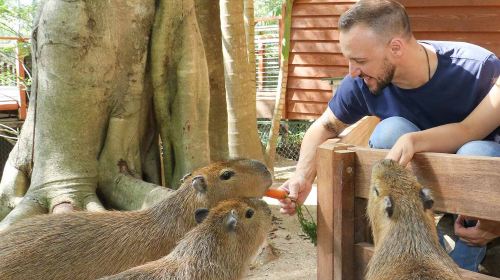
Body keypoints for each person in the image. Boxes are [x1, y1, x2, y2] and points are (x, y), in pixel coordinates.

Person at [277, 0, 500, 274]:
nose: (351, 71)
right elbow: (324, 126)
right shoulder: (361, 82)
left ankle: (461, 264)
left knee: (476, 154)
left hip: (476, 183)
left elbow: (469, 132)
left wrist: (493, 216)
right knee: (390, 132)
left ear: (395, 47)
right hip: (415, 191)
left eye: (359, 60)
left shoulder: (478, 68)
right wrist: (302, 175)